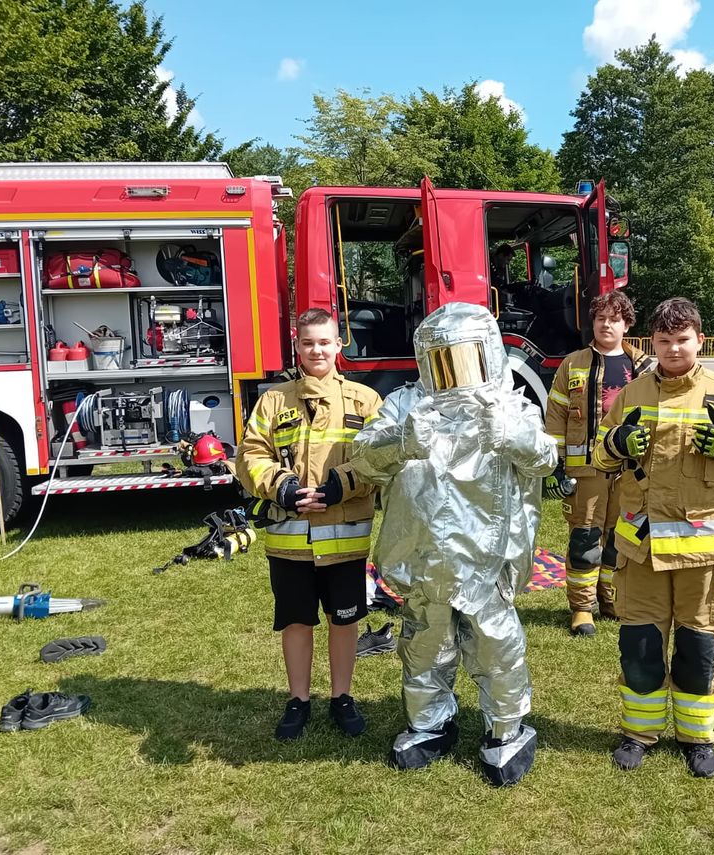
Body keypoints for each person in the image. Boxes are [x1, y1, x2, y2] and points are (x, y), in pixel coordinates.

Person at [351, 302, 557, 787]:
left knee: (495, 647)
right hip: (425, 557)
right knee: (424, 645)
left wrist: (512, 437)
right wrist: (402, 440)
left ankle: (506, 730)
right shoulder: (407, 404)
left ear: (486, 355)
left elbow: (547, 457)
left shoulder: (509, 404)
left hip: (489, 556)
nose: (453, 373)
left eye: (463, 358)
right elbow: (363, 458)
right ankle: (429, 724)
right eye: (442, 360)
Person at [592, 297, 714, 777]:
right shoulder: (631, 395)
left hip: (701, 557)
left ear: (699, 339)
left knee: (697, 650)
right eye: (664, 340)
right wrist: (616, 443)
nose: (673, 349)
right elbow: (600, 456)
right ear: (650, 342)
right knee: (641, 649)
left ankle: (697, 738)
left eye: (682, 340)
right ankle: (638, 734)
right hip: (641, 553)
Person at [236, 308, 383, 741]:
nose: (316, 349)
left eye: (324, 341)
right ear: (297, 347)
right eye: (307, 342)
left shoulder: (365, 400)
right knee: (296, 621)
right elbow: (250, 456)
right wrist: (280, 487)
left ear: (341, 345)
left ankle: (342, 697)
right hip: (289, 542)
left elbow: (381, 458)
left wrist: (343, 485)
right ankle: (298, 699)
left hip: (345, 541)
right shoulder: (273, 399)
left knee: (345, 620)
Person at [543, 290, 655, 637]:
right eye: (601, 318)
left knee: (619, 539)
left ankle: (610, 600)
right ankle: (581, 608)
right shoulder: (573, 364)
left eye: (615, 319)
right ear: (592, 322)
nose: (607, 324)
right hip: (586, 471)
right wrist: (555, 464)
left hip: (629, 470)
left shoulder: (646, 367)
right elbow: (556, 416)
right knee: (585, 538)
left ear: (626, 325)